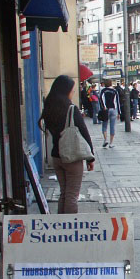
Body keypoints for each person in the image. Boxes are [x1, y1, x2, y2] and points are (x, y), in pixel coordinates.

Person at [39, 75, 95, 213]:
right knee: (71, 195)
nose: (73, 92)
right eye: (72, 90)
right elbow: (84, 132)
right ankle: (70, 226)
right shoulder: (71, 109)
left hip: (56, 156)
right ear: (66, 91)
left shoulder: (49, 108)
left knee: (64, 193)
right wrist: (90, 157)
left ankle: (61, 226)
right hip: (71, 156)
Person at [99, 80, 120, 148]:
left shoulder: (103, 91)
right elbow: (117, 102)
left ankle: (105, 140)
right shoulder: (115, 91)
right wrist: (119, 112)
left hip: (106, 110)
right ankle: (111, 143)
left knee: (104, 125)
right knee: (112, 126)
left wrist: (104, 107)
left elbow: (101, 99)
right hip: (113, 109)